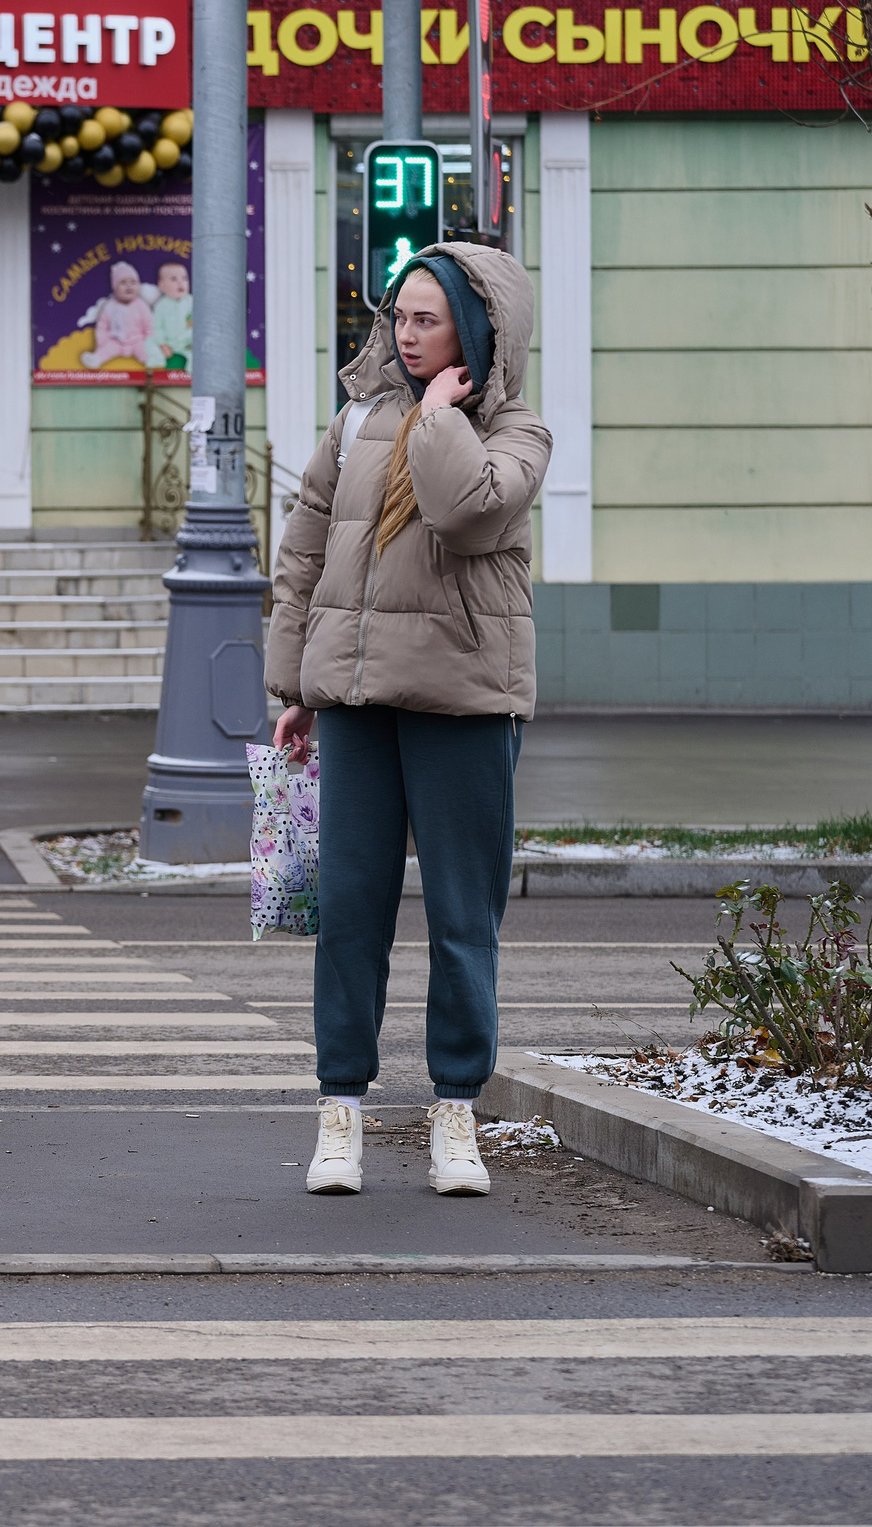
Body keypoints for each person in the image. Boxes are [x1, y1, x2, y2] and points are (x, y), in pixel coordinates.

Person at [265, 242, 548, 1200]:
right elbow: (306, 549)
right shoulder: (353, 422)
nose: (406, 334)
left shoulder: (517, 432)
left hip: (465, 700)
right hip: (356, 701)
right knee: (350, 916)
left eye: (429, 319)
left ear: (478, 331)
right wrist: (296, 685)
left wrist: (437, 417)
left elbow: (464, 510)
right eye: (400, 316)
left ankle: (455, 1113)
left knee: (464, 919)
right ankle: (339, 1110)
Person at [78, 260, 160, 370]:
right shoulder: (110, 306)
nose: (128, 286)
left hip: (137, 340)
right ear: (115, 288)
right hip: (116, 341)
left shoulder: (141, 305)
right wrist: (102, 342)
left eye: (133, 282)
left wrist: (150, 342)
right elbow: (102, 326)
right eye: (123, 283)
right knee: (106, 350)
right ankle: (95, 359)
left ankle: (152, 361)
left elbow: (149, 325)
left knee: (146, 351)